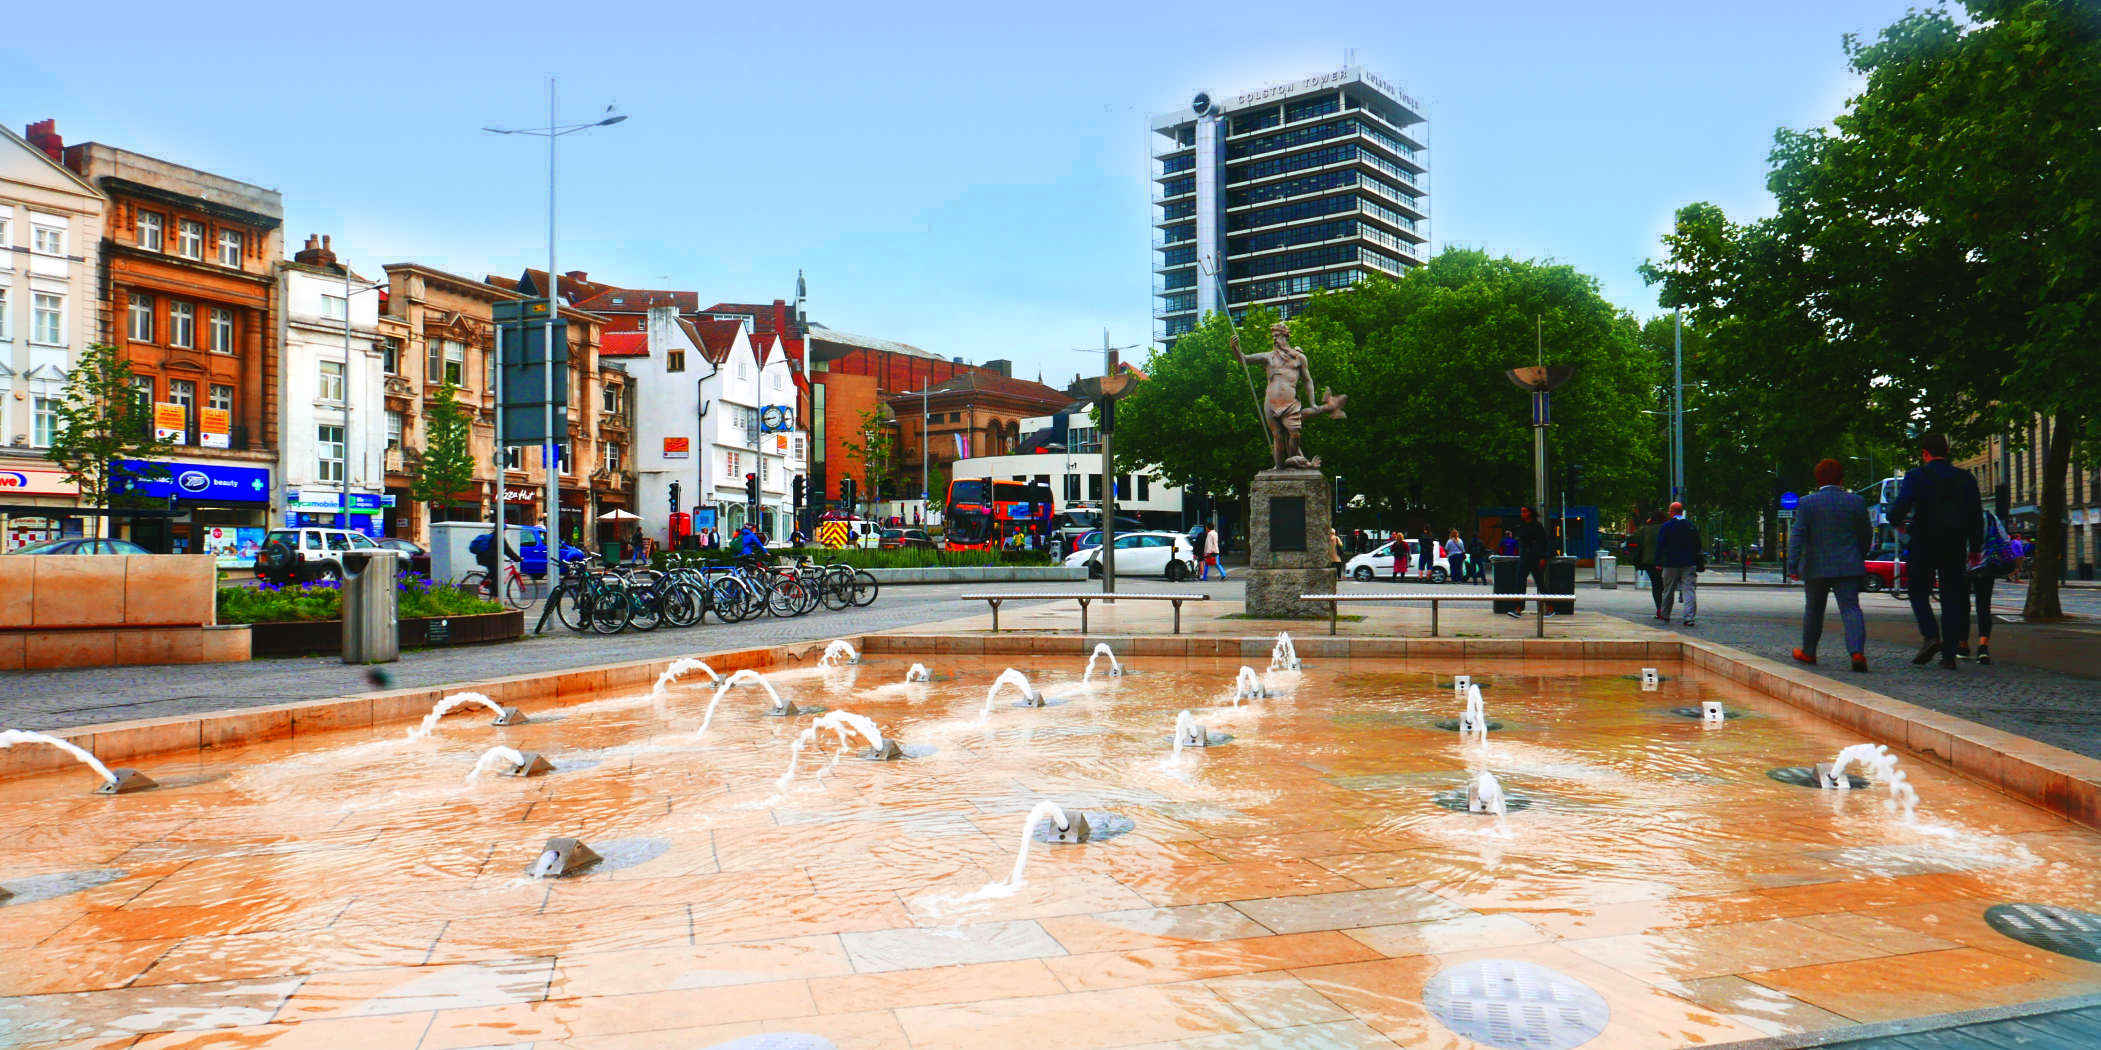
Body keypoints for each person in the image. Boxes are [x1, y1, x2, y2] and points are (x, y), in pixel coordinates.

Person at [1888, 432, 1983, 669]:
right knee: (1952, 596)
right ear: (1947, 451)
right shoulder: (1965, 478)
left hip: (1924, 541)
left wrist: (1895, 519)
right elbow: (1976, 513)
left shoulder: (1917, 476)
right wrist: (1976, 546)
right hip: (1955, 543)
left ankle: (1930, 634)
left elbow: (1902, 504)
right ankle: (1949, 654)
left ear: (1925, 454)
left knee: (1917, 589)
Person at [1788, 459, 1872, 672]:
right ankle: (1857, 652)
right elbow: (1865, 534)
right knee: (1851, 608)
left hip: (1816, 565)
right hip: (1848, 564)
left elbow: (1797, 536)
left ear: (1817, 480)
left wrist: (1793, 565)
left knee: (1814, 609)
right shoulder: (1856, 502)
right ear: (1842, 479)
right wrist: (1858, 556)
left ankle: (1809, 652)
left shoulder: (1807, 503)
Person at [1957, 511, 2016, 665]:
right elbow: (2004, 539)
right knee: (1983, 607)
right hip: (1986, 566)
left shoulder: (1954, 513)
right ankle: (1983, 648)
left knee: (1962, 607)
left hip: (1962, 567)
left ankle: (1963, 645)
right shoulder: (1989, 517)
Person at [1655, 502, 1704, 626]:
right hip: (1689, 562)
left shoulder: (1667, 526)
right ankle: (1689, 618)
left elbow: (1660, 544)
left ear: (1671, 512)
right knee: (1689, 590)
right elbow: (1698, 545)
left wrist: (1658, 561)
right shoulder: (1691, 526)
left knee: (1668, 590)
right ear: (1682, 512)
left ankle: (1665, 615)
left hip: (1671, 562)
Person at [1507, 507, 1552, 618]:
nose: (1522, 513)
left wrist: (1543, 557)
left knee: (1540, 583)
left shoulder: (1537, 526)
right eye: (1522, 511)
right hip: (1524, 557)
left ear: (1530, 513)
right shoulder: (1521, 525)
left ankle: (1550, 607)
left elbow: (1543, 542)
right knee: (1520, 582)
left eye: (1525, 511)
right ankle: (1518, 608)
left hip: (1534, 557)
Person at [1636, 510, 1668, 615]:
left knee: (1656, 585)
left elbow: (1634, 539)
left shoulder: (1645, 529)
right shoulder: (1667, 528)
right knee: (1666, 586)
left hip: (1649, 562)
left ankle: (1659, 609)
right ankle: (1665, 608)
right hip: (1666, 561)